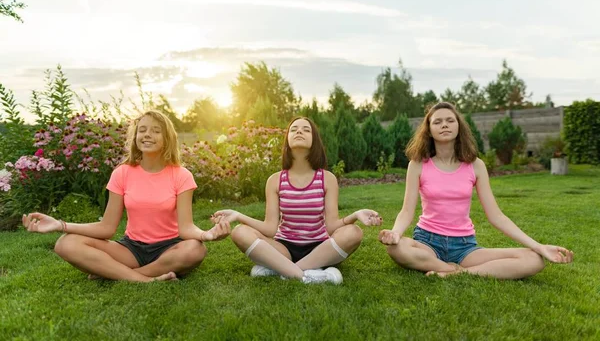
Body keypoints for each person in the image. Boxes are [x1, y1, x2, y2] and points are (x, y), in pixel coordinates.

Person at [22, 110, 230, 282]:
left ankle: (115, 275)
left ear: (167, 139)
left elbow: (186, 228)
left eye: (156, 131)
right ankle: (147, 279)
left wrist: (206, 235)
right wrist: (60, 225)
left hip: (170, 248)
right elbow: (107, 227)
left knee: (195, 250)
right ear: (135, 137)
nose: (147, 135)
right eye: (142, 130)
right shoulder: (122, 173)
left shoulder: (181, 175)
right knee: (65, 243)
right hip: (131, 249)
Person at [379, 102, 573, 279]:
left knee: (534, 259)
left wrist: (539, 247)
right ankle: (447, 268)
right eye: (437, 122)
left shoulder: (476, 165)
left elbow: (496, 216)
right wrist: (396, 233)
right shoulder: (418, 164)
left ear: (458, 126)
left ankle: (457, 272)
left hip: (464, 247)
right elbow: (406, 211)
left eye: (450, 120)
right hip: (427, 242)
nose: (444, 125)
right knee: (396, 248)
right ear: (429, 130)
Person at [211, 117, 382, 284]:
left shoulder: (327, 179)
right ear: (287, 140)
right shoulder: (275, 180)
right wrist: (238, 215)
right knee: (240, 232)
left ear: (314, 141)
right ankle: (308, 275)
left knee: (354, 232)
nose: (299, 131)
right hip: (283, 248)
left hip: (320, 249)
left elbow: (331, 227)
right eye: (294, 129)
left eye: (306, 129)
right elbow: (270, 229)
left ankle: (281, 270)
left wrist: (355, 215)